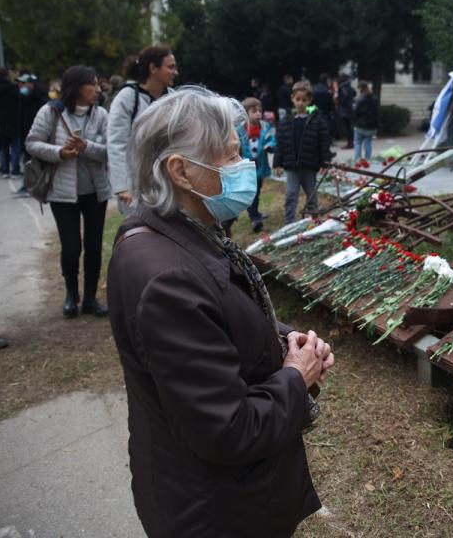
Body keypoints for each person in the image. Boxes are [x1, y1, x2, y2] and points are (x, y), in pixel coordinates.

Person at [107, 86, 333, 537]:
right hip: (215, 512)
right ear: (181, 171)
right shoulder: (166, 278)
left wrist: (286, 341)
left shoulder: (179, 229)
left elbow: (219, 313)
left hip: (216, 496)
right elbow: (227, 429)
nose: (244, 165)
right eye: (230, 155)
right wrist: (295, 375)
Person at [25, 66, 111, 318]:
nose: (97, 89)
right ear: (75, 87)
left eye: (98, 84)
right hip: (62, 193)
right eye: (91, 85)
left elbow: (109, 150)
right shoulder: (50, 112)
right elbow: (31, 143)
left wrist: (87, 146)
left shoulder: (102, 115)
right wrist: (60, 152)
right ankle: (71, 294)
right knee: (72, 246)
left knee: (94, 247)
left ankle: (90, 299)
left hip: (96, 192)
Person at [108, 44, 178, 214]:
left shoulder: (174, 98)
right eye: (170, 67)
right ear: (153, 68)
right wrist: (122, 186)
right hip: (137, 187)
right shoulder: (127, 98)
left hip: (170, 183)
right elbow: (117, 144)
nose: (176, 72)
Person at [273, 81, 333, 225]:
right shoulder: (286, 121)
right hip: (292, 167)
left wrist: (325, 161)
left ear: (309, 100)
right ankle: (289, 223)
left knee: (311, 195)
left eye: (304, 100)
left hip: (309, 166)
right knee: (291, 195)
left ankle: (314, 220)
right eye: (297, 99)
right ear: (292, 98)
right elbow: (280, 143)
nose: (300, 103)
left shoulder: (317, 120)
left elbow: (324, 142)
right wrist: (277, 163)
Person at [237, 97, 276, 232]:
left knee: (257, 190)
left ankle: (256, 213)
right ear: (246, 113)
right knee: (251, 192)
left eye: (260, 111)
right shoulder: (240, 130)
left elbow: (271, 139)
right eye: (254, 111)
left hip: (260, 166)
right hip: (247, 167)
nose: (258, 114)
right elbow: (236, 147)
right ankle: (254, 218)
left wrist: (270, 145)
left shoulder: (265, 127)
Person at [0, 67, 21, 178]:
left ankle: (5, 170)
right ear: (7, 76)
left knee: (3, 148)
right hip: (14, 122)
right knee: (16, 146)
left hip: (1, 124)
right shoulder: (14, 88)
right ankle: (15, 171)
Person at [353, 81, 379, 162]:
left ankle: (357, 160)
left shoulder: (359, 99)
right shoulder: (374, 98)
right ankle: (368, 160)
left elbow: (355, 112)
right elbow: (376, 112)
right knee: (368, 142)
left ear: (361, 89)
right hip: (371, 125)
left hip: (360, 125)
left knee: (357, 143)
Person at [337, 73, 356, 149]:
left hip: (345, 109)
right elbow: (354, 93)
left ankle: (350, 143)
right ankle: (351, 142)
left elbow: (345, 96)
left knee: (347, 127)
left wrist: (341, 102)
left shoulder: (342, 87)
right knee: (349, 126)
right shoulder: (348, 86)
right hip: (349, 108)